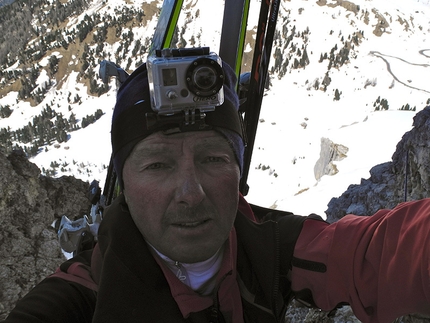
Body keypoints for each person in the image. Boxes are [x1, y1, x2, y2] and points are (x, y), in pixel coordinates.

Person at [3, 59, 430, 323]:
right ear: (125, 185)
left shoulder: (270, 246)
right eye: (157, 164)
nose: (191, 193)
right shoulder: (84, 298)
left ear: (238, 172)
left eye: (213, 158)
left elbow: (382, 253)